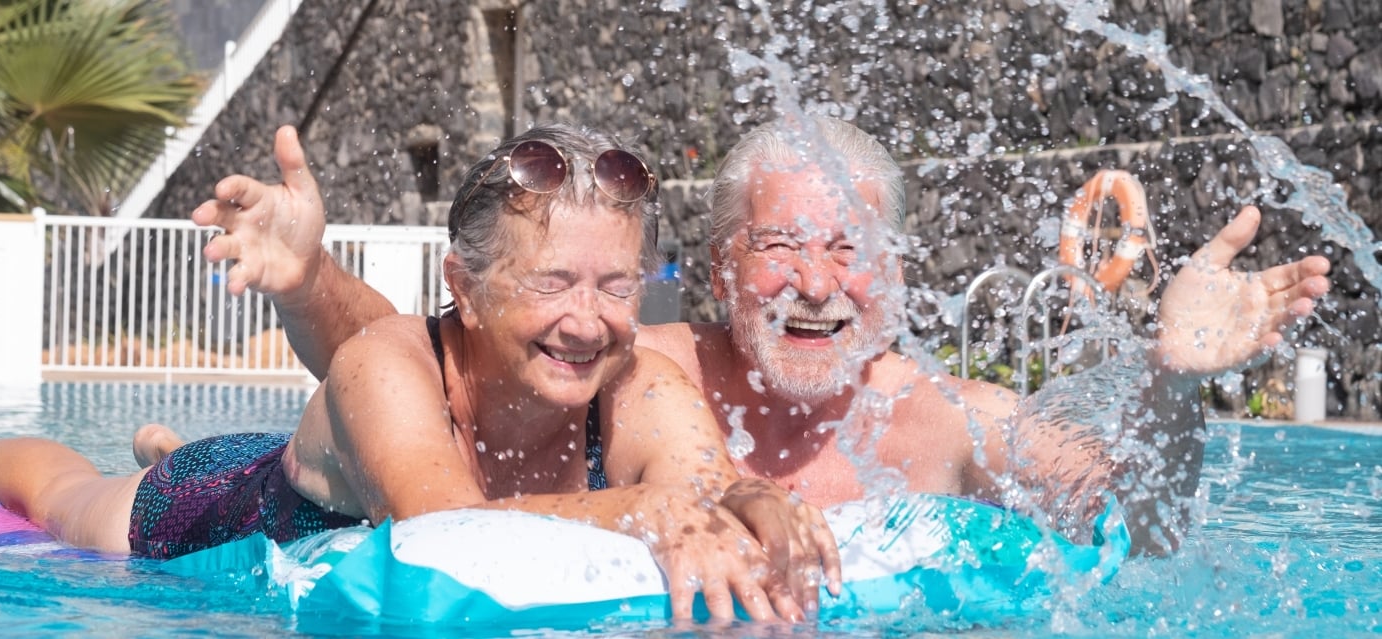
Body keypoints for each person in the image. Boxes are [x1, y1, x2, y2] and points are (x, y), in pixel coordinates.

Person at [180, 115, 1331, 556]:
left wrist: (1176, 387)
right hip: (297, 493)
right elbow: (434, 366)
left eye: (851, 253)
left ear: (895, 280)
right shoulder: (641, 363)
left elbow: (1147, 527)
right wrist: (307, 281)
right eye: (782, 249)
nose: (817, 286)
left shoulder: (942, 419)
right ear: (722, 270)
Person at [0, 124, 842, 622]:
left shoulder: (630, 373)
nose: (588, 319)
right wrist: (651, 509)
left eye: (614, 285)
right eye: (553, 281)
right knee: (72, 500)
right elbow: (443, 523)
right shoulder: (386, 364)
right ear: (467, 290)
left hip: (323, 471)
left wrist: (753, 500)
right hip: (215, 509)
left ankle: (164, 438)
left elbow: (707, 491)